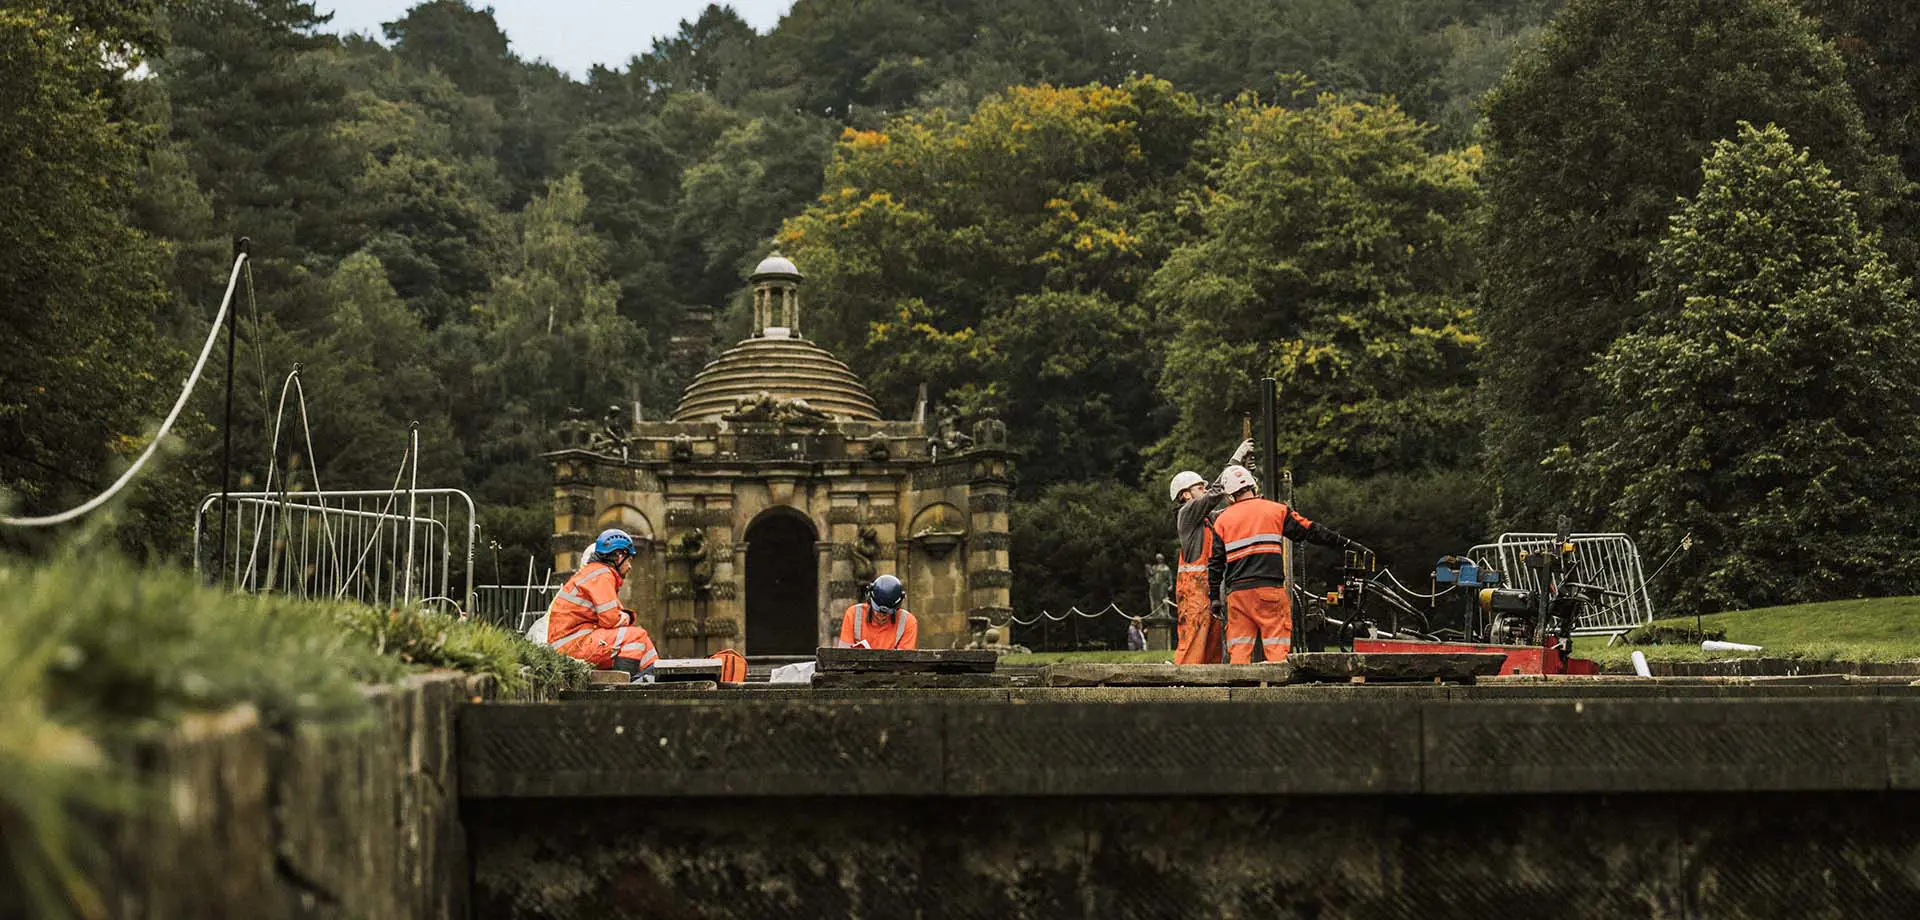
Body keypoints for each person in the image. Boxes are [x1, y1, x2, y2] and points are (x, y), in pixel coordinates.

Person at [1210, 464, 1363, 664]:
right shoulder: (1276, 510)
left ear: (1229, 496)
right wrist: (1345, 543)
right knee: (1276, 648)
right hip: (1269, 591)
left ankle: (1240, 689)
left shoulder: (1222, 520)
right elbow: (1310, 531)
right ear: (1254, 487)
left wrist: (1214, 597)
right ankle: (1276, 690)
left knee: (1239, 650)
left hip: (1238, 595)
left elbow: (1215, 564)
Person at [1167, 439, 1254, 664]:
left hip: (1209, 593)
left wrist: (1245, 480)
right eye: (1199, 488)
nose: (1204, 490)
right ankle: (1181, 686)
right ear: (1185, 495)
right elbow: (1216, 492)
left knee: (1213, 647)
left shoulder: (1207, 519)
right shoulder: (1187, 513)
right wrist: (1235, 462)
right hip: (1195, 597)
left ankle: (1209, 688)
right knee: (1193, 647)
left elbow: (1237, 508)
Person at [544, 528, 661, 679]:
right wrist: (626, 618)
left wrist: (624, 617)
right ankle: (625, 687)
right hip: (572, 645)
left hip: (574, 641)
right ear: (619, 556)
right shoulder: (602, 575)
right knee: (635, 636)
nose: (630, 566)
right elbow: (610, 619)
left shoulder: (598, 573)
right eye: (629, 560)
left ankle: (656, 675)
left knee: (641, 637)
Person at [836, 574, 919, 650]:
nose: (881, 615)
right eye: (877, 610)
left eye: (887, 612)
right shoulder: (853, 614)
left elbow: (904, 661)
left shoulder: (907, 622)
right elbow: (843, 654)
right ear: (869, 600)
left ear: (897, 607)